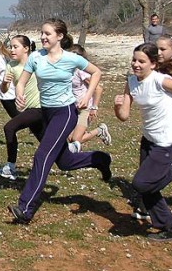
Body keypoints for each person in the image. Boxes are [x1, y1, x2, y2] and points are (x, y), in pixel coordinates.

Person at [8, 18, 112, 224]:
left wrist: (87, 96)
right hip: (45, 113)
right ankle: (99, 159)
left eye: (48, 33)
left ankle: (25, 209)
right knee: (64, 162)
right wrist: (19, 94)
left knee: (42, 156)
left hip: (65, 113)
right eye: (42, 33)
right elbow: (22, 82)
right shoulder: (36, 57)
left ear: (60, 36)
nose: (43, 37)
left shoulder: (72, 58)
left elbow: (97, 72)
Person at [113, 42, 172, 241]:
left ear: (152, 64)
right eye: (134, 60)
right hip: (149, 139)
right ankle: (169, 228)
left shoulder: (161, 80)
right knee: (148, 188)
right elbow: (124, 116)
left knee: (141, 184)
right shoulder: (131, 82)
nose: (136, 64)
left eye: (141, 61)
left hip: (167, 140)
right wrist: (116, 106)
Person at [0, 35, 42, 181]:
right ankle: (78, 153)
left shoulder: (37, 61)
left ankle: (10, 166)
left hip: (40, 108)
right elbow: (3, 90)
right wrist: (4, 83)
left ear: (26, 49)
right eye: (11, 47)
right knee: (47, 141)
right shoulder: (11, 66)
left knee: (9, 128)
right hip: (28, 109)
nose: (12, 50)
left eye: (16, 47)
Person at [66, 44, 112, 153]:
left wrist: (94, 107)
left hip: (85, 108)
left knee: (75, 139)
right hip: (73, 107)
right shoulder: (67, 71)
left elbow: (98, 89)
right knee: (68, 137)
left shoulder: (81, 71)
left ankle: (99, 131)